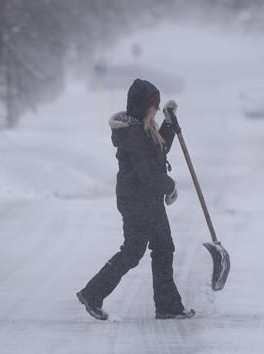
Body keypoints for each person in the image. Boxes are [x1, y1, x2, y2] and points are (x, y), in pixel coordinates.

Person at [76, 78, 196, 321]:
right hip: (137, 202)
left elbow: (157, 152)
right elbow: (149, 172)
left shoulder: (142, 129)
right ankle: (93, 293)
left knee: (161, 248)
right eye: (153, 105)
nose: (155, 109)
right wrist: (169, 185)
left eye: (158, 105)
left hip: (146, 200)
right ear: (142, 106)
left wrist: (169, 125)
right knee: (134, 251)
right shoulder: (133, 135)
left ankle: (168, 306)